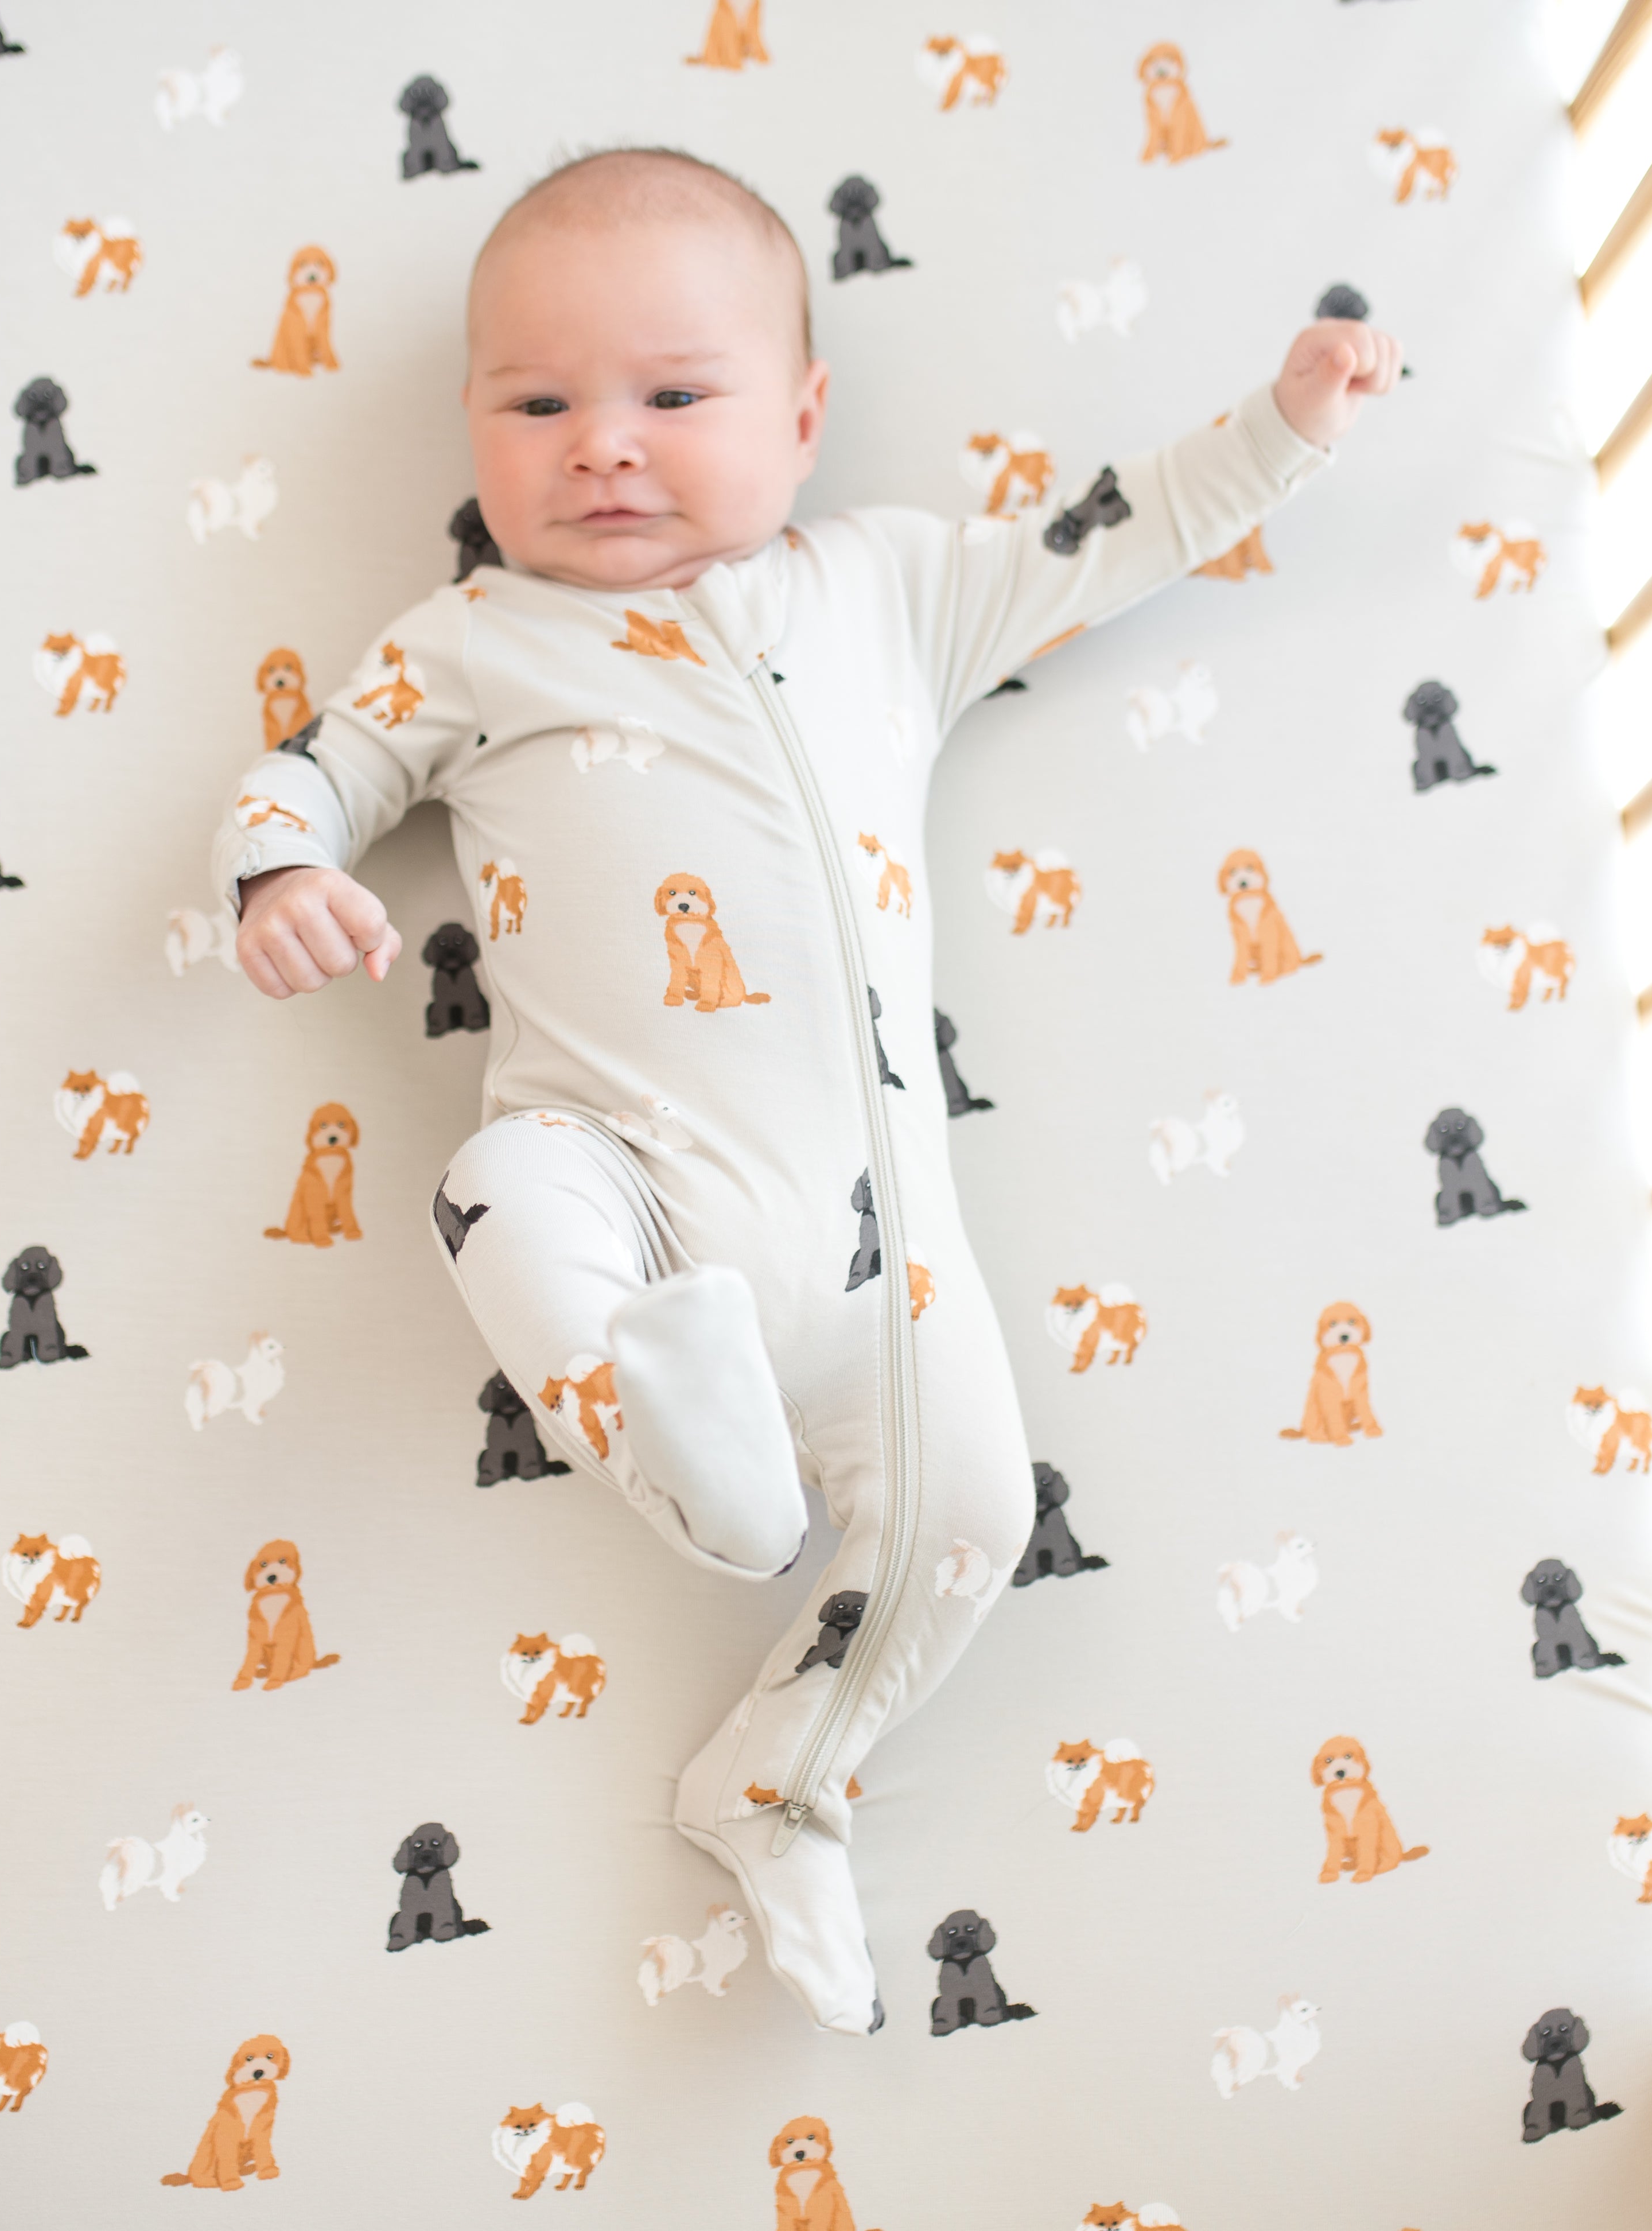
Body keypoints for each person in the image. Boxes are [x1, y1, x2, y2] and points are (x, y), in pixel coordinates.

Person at [210, 145, 1398, 2035]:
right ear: (474, 427)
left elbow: (1113, 531)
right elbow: (320, 763)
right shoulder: (473, 641)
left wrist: (1287, 428)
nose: (604, 446)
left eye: (674, 398)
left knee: (975, 1517)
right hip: (615, 1171)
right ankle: (709, 1476)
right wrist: (283, 869)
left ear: (806, 415)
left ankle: (776, 1778)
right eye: (540, 404)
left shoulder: (891, 591)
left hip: (882, 1256)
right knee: (501, 1187)